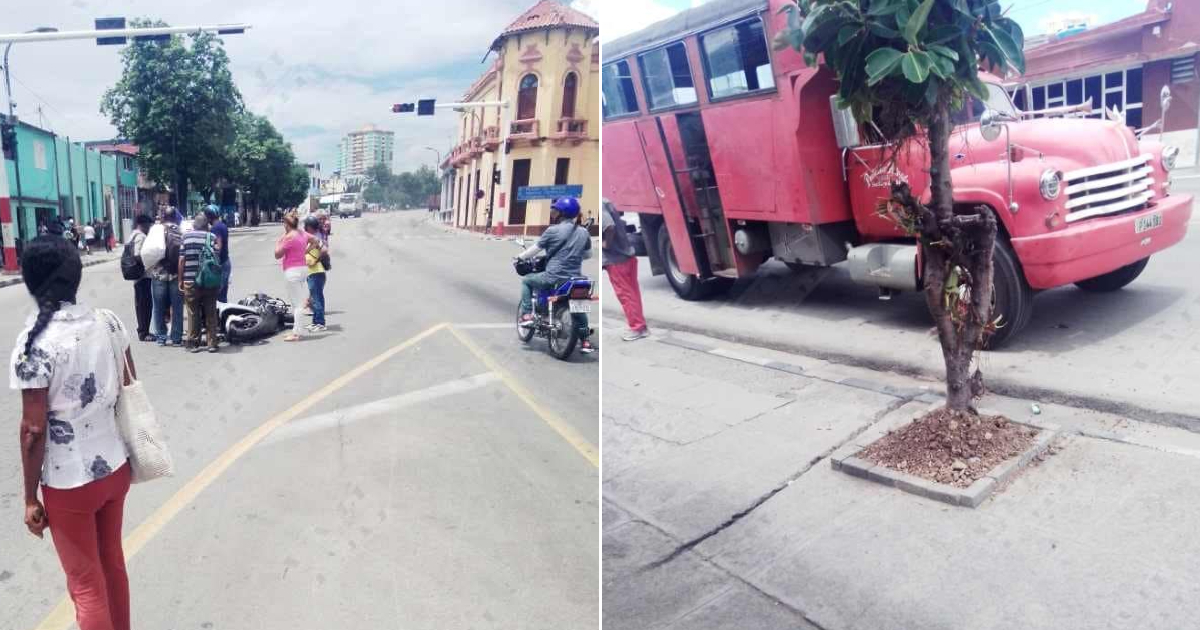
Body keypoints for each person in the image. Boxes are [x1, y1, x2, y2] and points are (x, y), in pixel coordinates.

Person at [11, 235, 137, 630]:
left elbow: (33, 430)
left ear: (30, 282)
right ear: (76, 276)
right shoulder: (109, 321)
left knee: (85, 585)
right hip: (116, 468)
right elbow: (129, 383)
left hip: (71, 483)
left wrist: (30, 497)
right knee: (112, 564)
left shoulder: (34, 345)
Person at [516, 197, 594, 354]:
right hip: (575, 279)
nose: (553, 212)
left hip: (553, 277)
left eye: (555, 210)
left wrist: (520, 257)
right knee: (579, 307)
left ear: (561, 213)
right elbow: (587, 255)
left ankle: (527, 314)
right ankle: (585, 341)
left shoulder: (552, 231)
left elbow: (535, 250)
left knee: (527, 281)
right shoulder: (584, 232)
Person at [602, 203, 650, 341]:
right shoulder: (606, 202)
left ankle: (637, 327)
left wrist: (607, 244)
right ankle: (641, 326)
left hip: (616, 259)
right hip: (627, 256)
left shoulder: (602, 203)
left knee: (626, 295)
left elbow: (609, 226)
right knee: (633, 294)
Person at [274, 212, 320, 342]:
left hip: (292, 272)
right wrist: (306, 250)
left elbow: (277, 254)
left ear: (287, 224)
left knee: (297, 304)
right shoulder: (301, 233)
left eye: (284, 223)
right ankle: (297, 329)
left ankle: (296, 333)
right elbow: (316, 241)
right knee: (298, 302)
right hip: (303, 269)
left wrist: (279, 241)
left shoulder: (289, 237)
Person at [179, 213, 221, 353]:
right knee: (210, 311)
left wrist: (180, 279)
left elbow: (181, 260)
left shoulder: (185, 237)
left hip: (190, 280)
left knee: (192, 311)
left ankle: (193, 343)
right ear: (206, 225)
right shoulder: (212, 237)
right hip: (209, 280)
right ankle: (212, 344)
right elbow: (216, 258)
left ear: (194, 225)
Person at [150, 211, 184, 347]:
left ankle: (161, 337)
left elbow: (150, 251)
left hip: (159, 273)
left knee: (158, 307)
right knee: (177, 307)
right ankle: (176, 338)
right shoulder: (181, 231)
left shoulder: (156, 230)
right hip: (176, 274)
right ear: (176, 218)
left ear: (163, 218)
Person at [129, 214, 156, 342]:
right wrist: (149, 262)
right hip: (143, 276)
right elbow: (137, 254)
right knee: (145, 305)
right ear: (143, 224)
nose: (150, 228)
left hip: (137, 277)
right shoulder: (141, 236)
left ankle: (143, 330)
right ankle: (144, 332)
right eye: (149, 225)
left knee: (141, 304)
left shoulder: (132, 235)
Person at [303, 216, 329, 333]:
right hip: (313, 273)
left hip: (316, 273)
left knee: (317, 299)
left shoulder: (315, 238)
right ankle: (315, 322)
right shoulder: (312, 238)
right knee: (315, 299)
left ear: (309, 227)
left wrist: (316, 260)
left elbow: (324, 250)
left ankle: (320, 323)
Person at [203, 206, 232, 303]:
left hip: (220, 265)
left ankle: (217, 317)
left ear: (209, 217)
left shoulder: (216, 228)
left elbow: (218, 247)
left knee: (217, 296)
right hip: (225, 262)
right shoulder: (222, 225)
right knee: (222, 296)